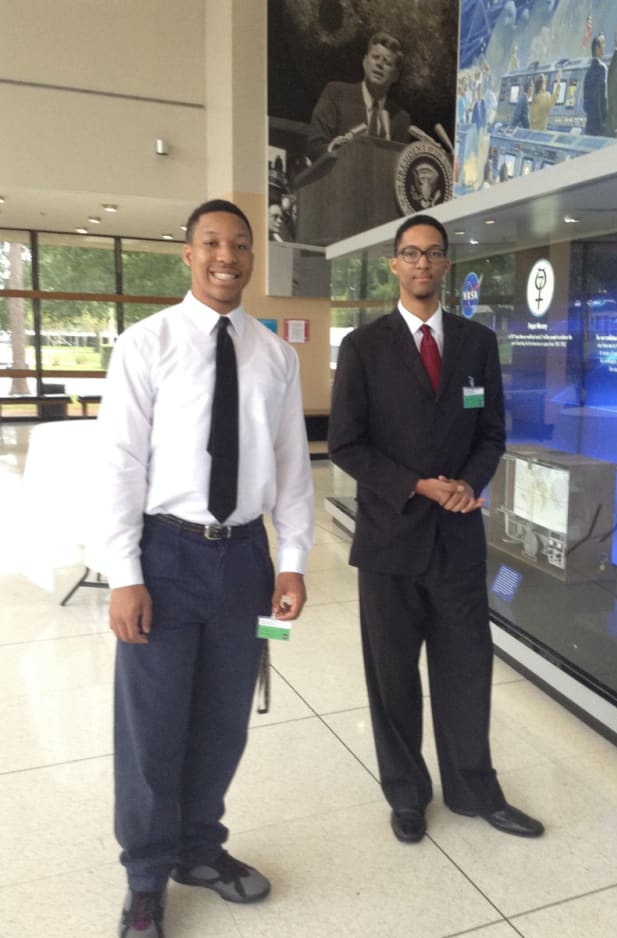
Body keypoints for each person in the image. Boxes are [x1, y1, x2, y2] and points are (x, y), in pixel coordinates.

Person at [97, 198, 315, 938]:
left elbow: (292, 468)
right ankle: (146, 877)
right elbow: (119, 465)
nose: (227, 256)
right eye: (212, 243)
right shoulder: (146, 344)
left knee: (224, 721)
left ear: (252, 257)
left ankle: (198, 849)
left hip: (244, 559)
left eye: (240, 244)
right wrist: (124, 574)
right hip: (165, 554)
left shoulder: (276, 356)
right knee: (153, 726)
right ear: (188, 255)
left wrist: (292, 560)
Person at [328, 214, 544, 845]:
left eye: (432, 253)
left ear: (446, 264)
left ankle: (475, 790)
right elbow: (346, 445)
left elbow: (492, 431)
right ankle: (406, 794)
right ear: (394, 264)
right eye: (410, 253)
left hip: (457, 538)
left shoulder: (477, 343)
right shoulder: (364, 347)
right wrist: (418, 485)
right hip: (390, 541)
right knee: (392, 678)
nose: (421, 262)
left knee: (467, 670)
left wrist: (470, 483)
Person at [307, 31, 410, 162]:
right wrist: (335, 151)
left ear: (395, 75)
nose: (379, 64)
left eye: (387, 62)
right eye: (375, 57)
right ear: (364, 62)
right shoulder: (336, 94)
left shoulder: (401, 119)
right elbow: (315, 145)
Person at [583, 34, 607, 136]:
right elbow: (601, 97)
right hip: (598, 122)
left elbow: (586, 99)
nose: (605, 46)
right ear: (597, 48)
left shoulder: (589, 71)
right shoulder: (601, 68)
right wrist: (604, 121)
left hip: (590, 122)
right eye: (603, 44)